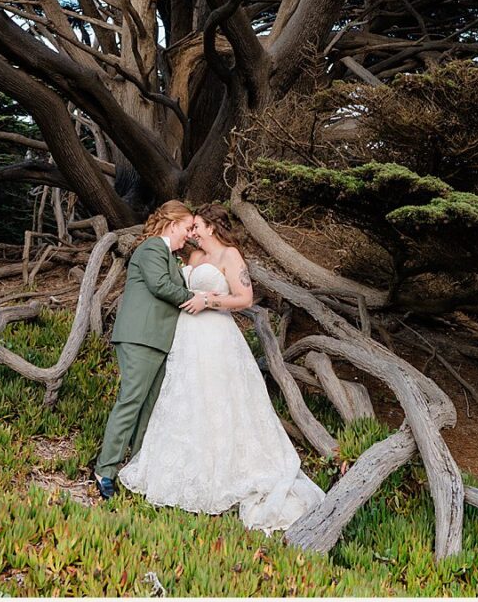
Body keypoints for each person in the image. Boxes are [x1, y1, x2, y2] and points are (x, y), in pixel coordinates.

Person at [118, 202, 325, 533]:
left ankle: (222, 472)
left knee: (217, 400)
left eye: (197, 225)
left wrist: (209, 301)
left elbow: (245, 299)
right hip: (185, 335)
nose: (192, 231)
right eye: (191, 227)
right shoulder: (193, 257)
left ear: (211, 227)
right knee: (186, 399)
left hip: (216, 336)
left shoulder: (230, 256)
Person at [92, 200, 206, 500]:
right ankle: (105, 470)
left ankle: (138, 466)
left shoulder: (169, 254)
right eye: (186, 228)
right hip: (141, 337)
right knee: (131, 401)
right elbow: (159, 286)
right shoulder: (153, 247)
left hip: (158, 340)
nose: (189, 235)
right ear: (172, 224)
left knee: (149, 408)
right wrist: (198, 298)